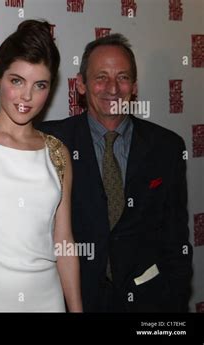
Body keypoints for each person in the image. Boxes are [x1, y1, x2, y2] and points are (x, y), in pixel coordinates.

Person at [38, 33, 193, 312]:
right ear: (81, 85)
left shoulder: (167, 147)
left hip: (149, 301)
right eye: (101, 77)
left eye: (122, 77)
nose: (113, 88)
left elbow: (176, 238)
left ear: (134, 86)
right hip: (72, 299)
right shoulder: (51, 142)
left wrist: (173, 300)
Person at [0, 20, 82, 312]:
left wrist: (77, 310)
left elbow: (64, 242)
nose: (27, 96)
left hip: (48, 301)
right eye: (16, 81)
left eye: (40, 85)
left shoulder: (57, 153)